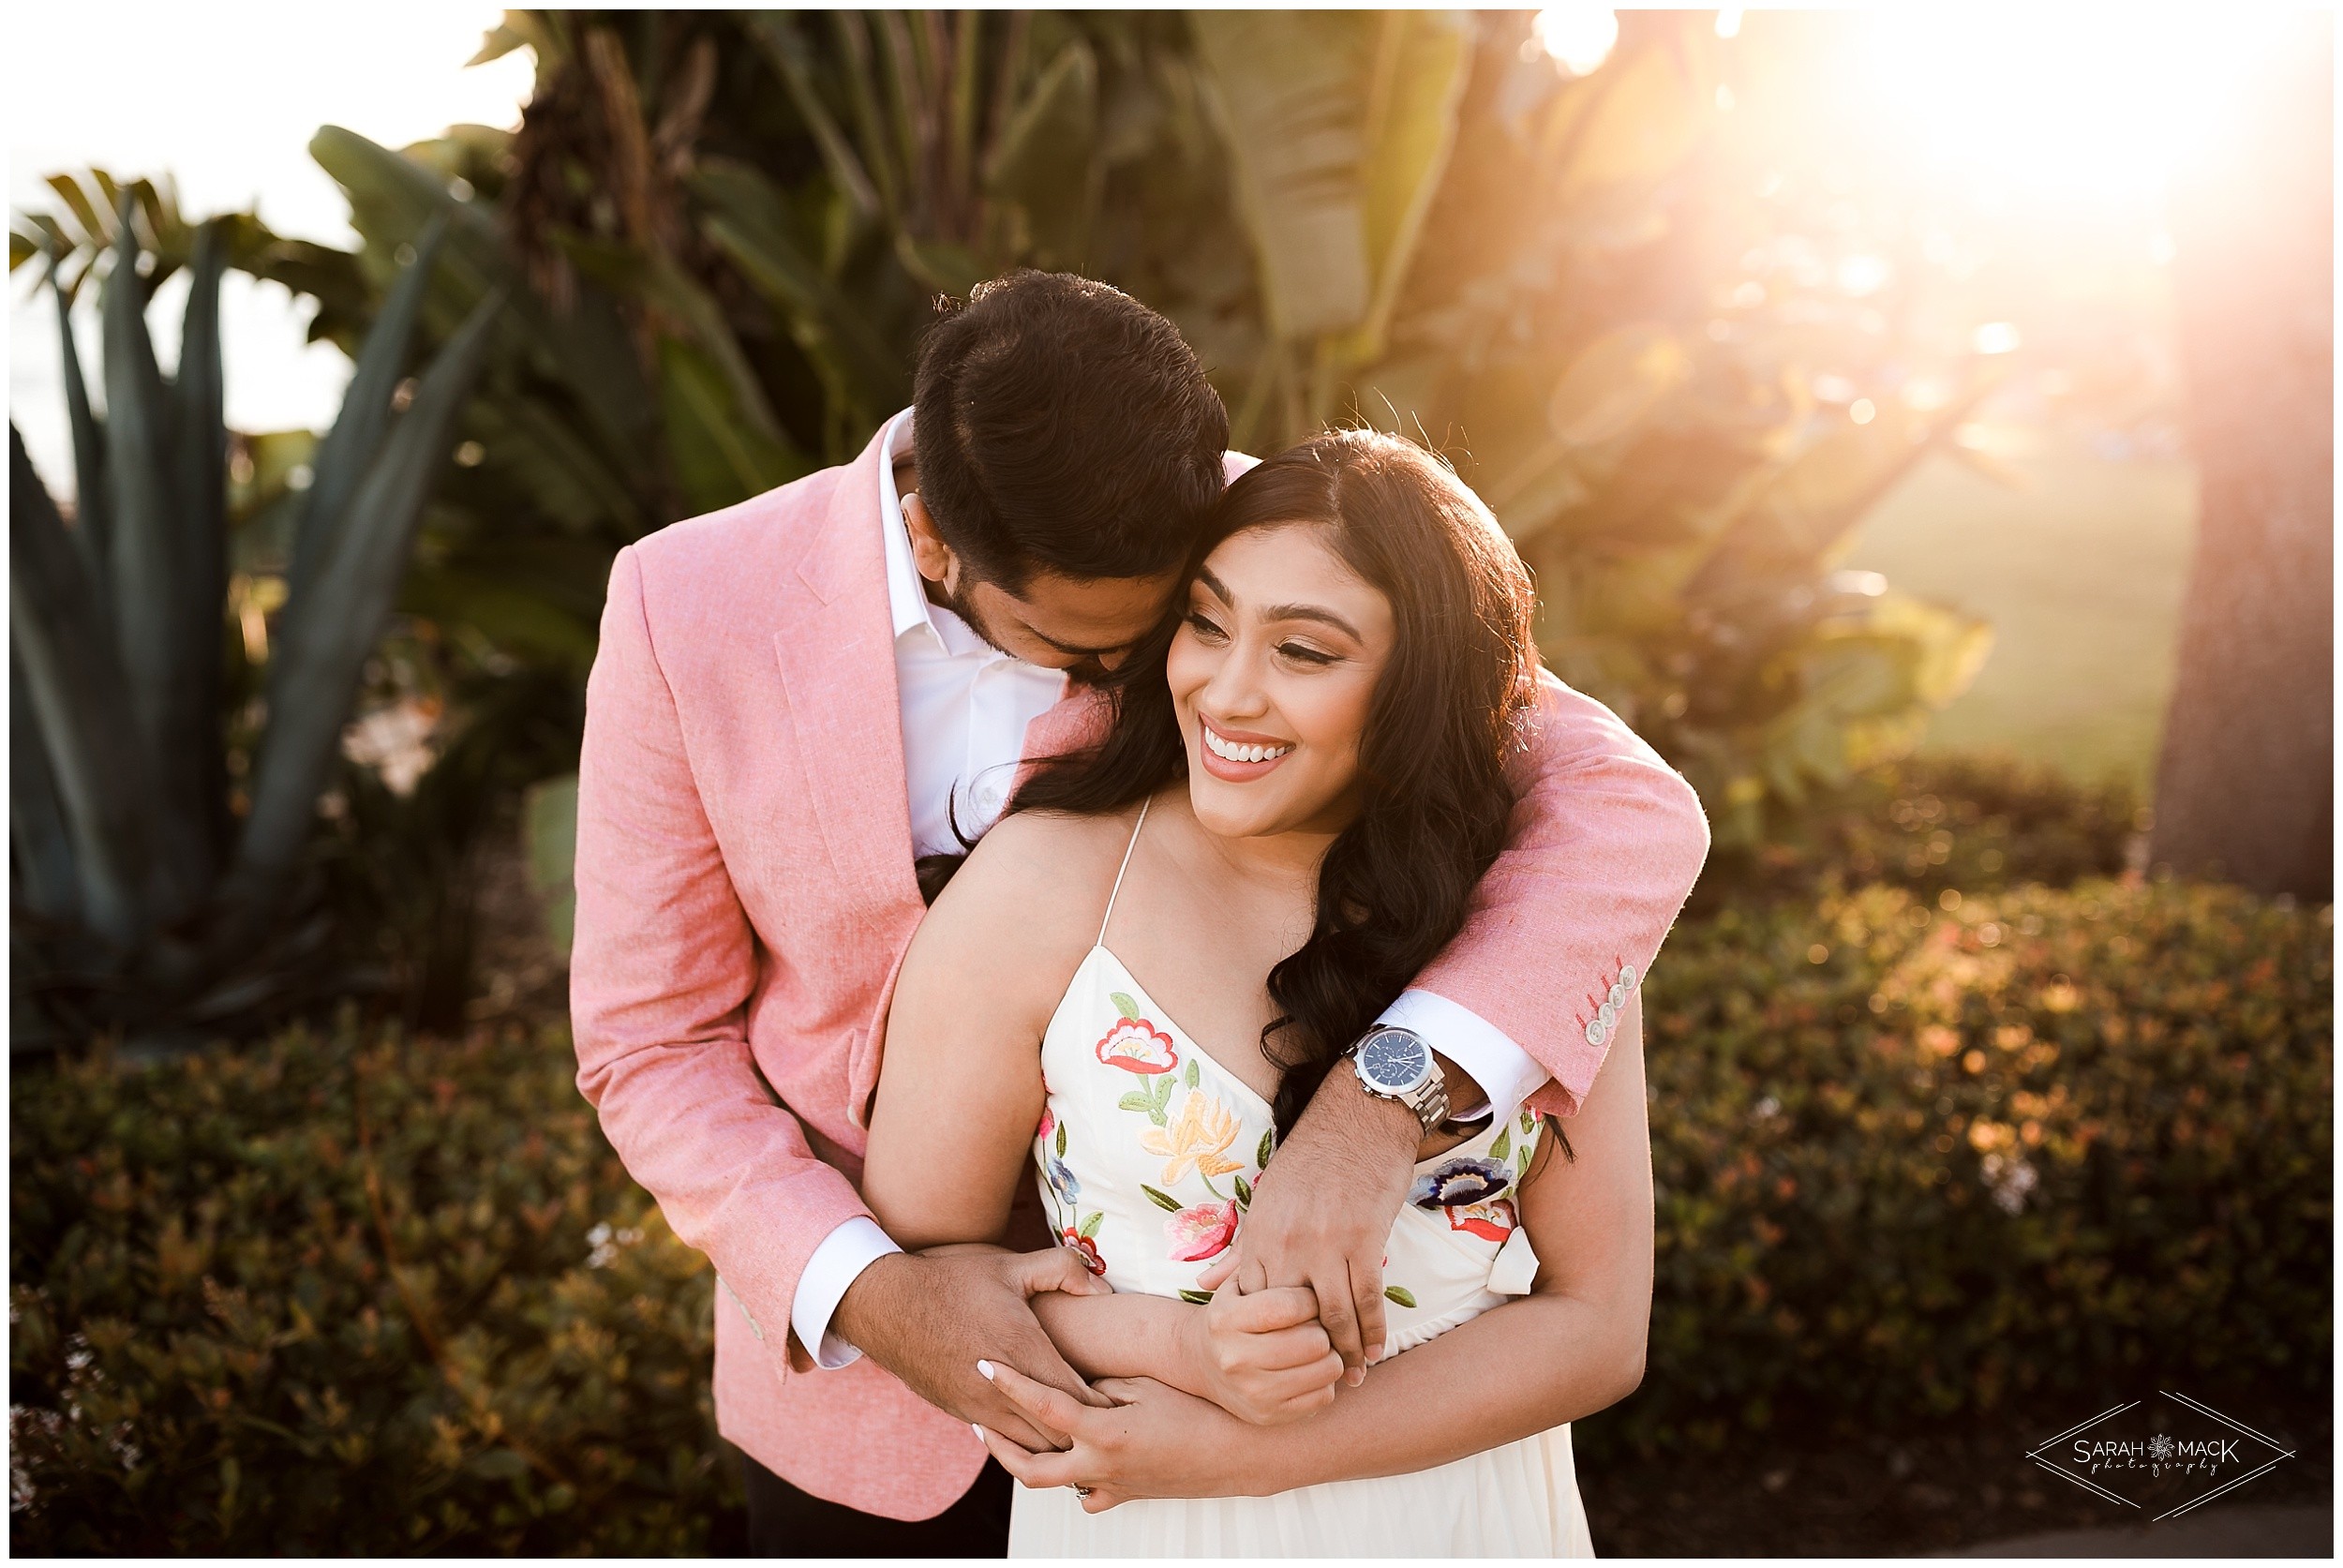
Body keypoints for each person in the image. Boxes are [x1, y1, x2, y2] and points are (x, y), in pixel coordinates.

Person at [571, 273, 1707, 1555]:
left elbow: (1629, 807)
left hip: (1283, 1432)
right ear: (937, 536)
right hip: (874, 1416)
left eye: (1148, 634)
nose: (1168, 678)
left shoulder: (1257, 538)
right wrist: (877, 1292)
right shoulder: (690, 605)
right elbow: (648, 1041)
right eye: (1086, 650)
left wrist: (1372, 1109)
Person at [861, 430, 1657, 1554]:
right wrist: (1180, 1353)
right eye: (1205, 621)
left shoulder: (1540, 912)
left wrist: (1246, 1454)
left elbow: (1598, 1326)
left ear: (1418, 683)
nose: (1226, 692)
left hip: (1471, 1523)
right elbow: (930, 1280)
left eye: (1304, 651)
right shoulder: (1044, 886)